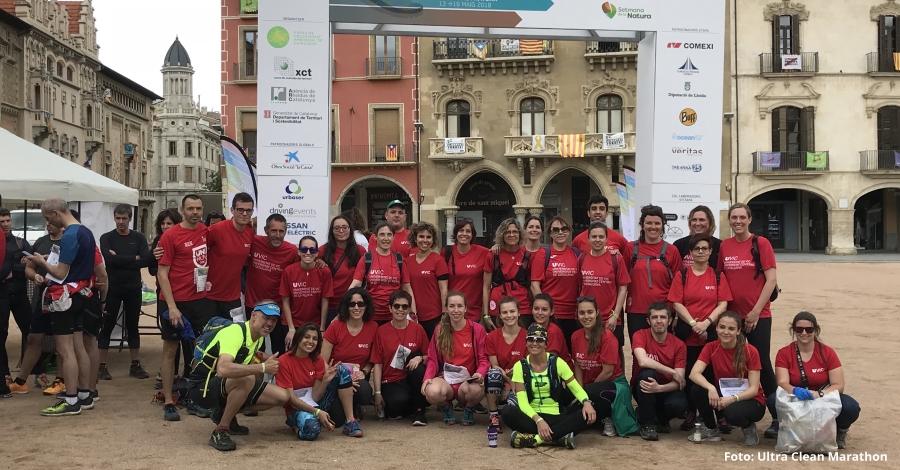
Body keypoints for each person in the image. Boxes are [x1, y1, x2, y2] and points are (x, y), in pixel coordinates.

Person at [24, 197, 99, 416]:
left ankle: (71, 399)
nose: (49, 223)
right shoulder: (85, 231)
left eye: (48, 218)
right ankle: (85, 394)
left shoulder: (69, 235)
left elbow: (60, 272)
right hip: (81, 294)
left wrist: (41, 262)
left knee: (65, 351)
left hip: (64, 297)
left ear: (57, 213)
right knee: (79, 347)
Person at [187, 301, 291, 451]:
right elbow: (223, 369)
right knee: (247, 378)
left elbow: (252, 354)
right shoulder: (235, 332)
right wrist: (263, 367)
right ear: (253, 315)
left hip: (224, 384)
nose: (269, 323)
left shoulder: (258, 335)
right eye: (266, 317)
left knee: (282, 396)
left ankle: (223, 413)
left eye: (274, 320)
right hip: (202, 387)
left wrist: (279, 362)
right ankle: (221, 430)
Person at [717, 203, 778, 433]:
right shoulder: (725, 246)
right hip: (732, 319)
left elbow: (771, 280)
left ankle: (778, 416)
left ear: (750, 220)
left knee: (762, 364)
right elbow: (721, 278)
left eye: (742, 217)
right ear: (729, 221)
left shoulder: (761, 243)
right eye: (734, 217)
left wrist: (755, 311)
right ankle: (740, 413)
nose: (738, 221)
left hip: (758, 315)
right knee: (735, 365)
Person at [156, 194, 215, 422]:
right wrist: (172, 307)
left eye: (198, 208)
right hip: (174, 301)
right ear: (182, 210)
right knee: (170, 351)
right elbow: (162, 273)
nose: (195, 212)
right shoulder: (170, 236)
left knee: (199, 351)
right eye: (190, 208)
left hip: (199, 300)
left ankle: (193, 398)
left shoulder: (206, 232)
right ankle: (168, 401)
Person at [668, 233, 732, 432]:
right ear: (691, 252)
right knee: (689, 374)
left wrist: (707, 323)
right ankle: (691, 412)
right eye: (697, 249)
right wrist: (694, 324)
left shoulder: (718, 276)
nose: (701, 252)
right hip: (688, 334)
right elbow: (676, 303)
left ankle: (720, 414)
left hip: (711, 334)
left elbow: (723, 304)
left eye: (705, 248)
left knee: (714, 373)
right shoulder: (682, 275)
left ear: (710, 251)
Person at [766, 312, 860, 448]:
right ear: (793, 331)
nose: (804, 333)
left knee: (851, 407)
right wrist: (795, 390)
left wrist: (820, 394)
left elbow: (839, 385)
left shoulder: (827, 352)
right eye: (799, 329)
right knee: (773, 399)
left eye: (809, 329)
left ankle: (840, 430)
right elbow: (782, 382)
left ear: (816, 331)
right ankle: (783, 425)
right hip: (796, 397)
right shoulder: (784, 353)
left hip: (822, 396)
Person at [502, 323, 597, 449]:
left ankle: (536, 439)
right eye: (531, 339)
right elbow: (522, 402)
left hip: (555, 416)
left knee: (585, 414)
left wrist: (586, 402)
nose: (534, 343)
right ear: (526, 343)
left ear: (546, 344)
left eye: (539, 340)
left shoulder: (558, 363)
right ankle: (559, 437)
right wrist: (538, 420)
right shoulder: (520, 366)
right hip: (532, 417)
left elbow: (576, 388)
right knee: (507, 411)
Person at [687, 311, 766, 445]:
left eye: (731, 328)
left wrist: (733, 399)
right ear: (716, 328)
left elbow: (754, 389)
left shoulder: (750, 351)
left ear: (738, 331)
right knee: (697, 390)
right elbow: (693, 373)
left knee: (732, 414)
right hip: (725, 393)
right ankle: (711, 429)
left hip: (751, 399)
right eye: (722, 327)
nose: (726, 332)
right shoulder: (711, 347)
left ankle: (748, 426)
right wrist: (711, 388)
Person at [276, 322, 357, 441]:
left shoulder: (317, 359)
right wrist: (317, 412)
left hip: (316, 403)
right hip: (296, 407)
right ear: (298, 338)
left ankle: (351, 421)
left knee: (342, 370)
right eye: (306, 337)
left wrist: (325, 381)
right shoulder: (284, 361)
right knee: (312, 430)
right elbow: (291, 399)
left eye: (315, 339)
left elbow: (315, 396)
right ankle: (295, 425)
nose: (311, 341)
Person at [8, 219, 63, 395]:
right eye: (46, 221)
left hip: (62, 299)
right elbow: (29, 268)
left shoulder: (69, 242)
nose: (48, 224)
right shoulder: (41, 242)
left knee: (62, 342)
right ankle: (20, 382)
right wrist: (35, 277)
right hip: (43, 299)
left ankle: (61, 381)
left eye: (51, 221)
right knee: (33, 338)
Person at [97, 204, 150, 380]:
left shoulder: (139, 238)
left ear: (130, 219)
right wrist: (134, 258)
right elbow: (109, 261)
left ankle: (135, 364)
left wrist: (120, 259)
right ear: (114, 218)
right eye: (118, 218)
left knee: (133, 326)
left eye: (124, 218)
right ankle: (101, 365)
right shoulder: (107, 238)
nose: (121, 222)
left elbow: (146, 261)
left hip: (133, 288)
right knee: (107, 325)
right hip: (113, 288)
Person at [570, 296, 637, 437]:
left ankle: (609, 417)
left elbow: (607, 372)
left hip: (613, 384)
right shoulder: (575, 336)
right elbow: (577, 365)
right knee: (571, 412)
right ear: (577, 315)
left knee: (593, 392)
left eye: (590, 312)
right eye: (582, 313)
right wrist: (580, 392)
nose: (586, 316)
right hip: (589, 386)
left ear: (597, 313)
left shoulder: (607, 337)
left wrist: (586, 394)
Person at [422, 291, 489, 426]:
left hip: (467, 381)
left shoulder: (477, 329)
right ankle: (446, 406)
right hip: (446, 380)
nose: (456, 310)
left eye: (460, 306)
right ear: (446, 308)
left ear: (466, 308)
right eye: (452, 306)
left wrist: (480, 374)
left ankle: (469, 408)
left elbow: (484, 359)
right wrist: (427, 377)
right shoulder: (439, 329)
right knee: (431, 391)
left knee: (476, 390)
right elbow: (432, 358)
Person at [321, 287, 376, 435]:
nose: (356, 308)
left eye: (360, 304)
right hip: (335, 377)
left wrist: (364, 371)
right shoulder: (335, 327)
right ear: (346, 306)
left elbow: (373, 358)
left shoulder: (373, 327)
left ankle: (355, 406)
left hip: (358, 377)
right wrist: (343, 380)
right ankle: (344, 407)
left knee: (365, 393)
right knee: (337, 419)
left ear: (366, 306)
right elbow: (322, 360)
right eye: (352, 304)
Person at [622, 205, 681, 341]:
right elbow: (622, 279)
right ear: (642, 225)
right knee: (638, 349)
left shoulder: (672, 250)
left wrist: (677, 316)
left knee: (663, 350)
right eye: (649, 223)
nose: (653, 227)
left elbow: (679, 285)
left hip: (664, 311)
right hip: (637, 310)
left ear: (662, 225)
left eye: (657, 223)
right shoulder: (630, 248)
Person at [631, 302, 688, 441]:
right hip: (643, 388)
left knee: (679, 405)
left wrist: (659, 388)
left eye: (663, 317)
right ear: (648, 321)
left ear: (670, 320)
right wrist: (672, 372)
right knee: (647, 374)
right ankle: (647, 424)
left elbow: (679, 382)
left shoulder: (679, 345)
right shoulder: (640, 335)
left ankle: (661, 419)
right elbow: (643, 361)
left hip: (665, 389)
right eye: (654, 317)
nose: (658, 321)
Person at [372, 290, 430, 425]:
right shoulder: (381, 331)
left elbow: (430, 356)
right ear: (390, 308)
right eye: (396, 306)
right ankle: (411, 404)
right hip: (391, 381)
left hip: (410, 378)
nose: (400, 310)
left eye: (404, 306)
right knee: (397, 403)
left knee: (419, 366)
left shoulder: (418, 329)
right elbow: (378, 364)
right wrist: (377, 393)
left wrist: (420, 358)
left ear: (409, 309)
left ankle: (419, 411)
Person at [576, 221, 630, 363]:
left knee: (615, 355)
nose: (597, 240)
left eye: (601, 237)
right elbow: (580, 287)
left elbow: (623, 288)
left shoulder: (616, 259)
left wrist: (615, 315)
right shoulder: (582, 259)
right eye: (594, 237)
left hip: (610, 318)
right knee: (590, 355)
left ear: (607, 239)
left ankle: (620, 378)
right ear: (588, 239)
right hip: (588, 318)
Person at [350, 221, 415, 324]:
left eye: (389, 235)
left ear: (393, 237)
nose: (386, 238)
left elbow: (407, 288)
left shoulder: (399, 259)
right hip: (371, 315)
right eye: (382, 234)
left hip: (395, 315)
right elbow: (355, 285)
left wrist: (413, 314)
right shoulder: (367, 259)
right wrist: (343, 309)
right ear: (375, 237)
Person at [530, 216, 581, 345]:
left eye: (564, 229)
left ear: (569, 231)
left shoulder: (576, 253)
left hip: (573, 315)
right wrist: (544, 311)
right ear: (550, 233)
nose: (560, 232)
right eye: (556, 230)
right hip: (551, 315)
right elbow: (535, 285)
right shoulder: (543, 254)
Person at [278, 236, 332, 354]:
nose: (308, 253)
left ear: (317, 253)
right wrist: (291, 329)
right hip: (293, 323)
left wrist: (322, 329)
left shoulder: (324, 272)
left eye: (312, 250)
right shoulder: (289, 271)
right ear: (299, 252)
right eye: (304, 249)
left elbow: (325, 301)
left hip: (314, 324)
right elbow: (285, 301)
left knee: (312, 357)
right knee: (292, 357)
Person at [207, 192, 255, 320]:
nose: (244, 214)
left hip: (233, 296)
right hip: (209, 295)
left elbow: (245, 258)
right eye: (240, 210)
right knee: (209, 332)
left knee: (234, 332)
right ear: (232, 210)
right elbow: (196, 249)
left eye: (248, 210)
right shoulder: (217, 229)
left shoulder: (250, 232)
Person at [441, 219, 492, 336]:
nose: (464, 234)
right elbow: (442, 284)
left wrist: (497, 246)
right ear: (456, 233)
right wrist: (444, 311)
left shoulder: (484, 253)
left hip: (473, 312)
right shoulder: (447, 252)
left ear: (472, 235)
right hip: (453, 311)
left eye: (468, 231)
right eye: (461, 230)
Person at [1, 208, 33, 387]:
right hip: (3, 295)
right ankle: (5, 374)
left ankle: (35, 371)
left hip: (20, 295)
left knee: (31, 334)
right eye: (1, 222)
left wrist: (13, 270)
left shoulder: (21, 243)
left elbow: (32, 264)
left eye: (7, 220)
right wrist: (18, 266)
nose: (5, 224)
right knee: (2, 335)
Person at [245, 213, 299, 320]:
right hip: (253, 304)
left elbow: (305, 264)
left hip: (277, 306)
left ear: (285, 232)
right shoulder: (255, 241)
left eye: (281, 231)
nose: (277, 235)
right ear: (266, 230)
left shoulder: (292, 251)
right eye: (274, 231)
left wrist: (318, 261)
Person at [484, 296, 527, 430]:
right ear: (500, 316)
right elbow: (494, 365)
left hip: (520, 379)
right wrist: (508, 383)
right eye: (505, 312)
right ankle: (494, 416)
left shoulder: (527, 336)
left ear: (519, 313)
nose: (509, 315)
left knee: (512, 410)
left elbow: (527, 366)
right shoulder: (492, 337)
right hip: (502, 378)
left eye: (512, 311)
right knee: (492, 374)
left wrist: (512, 385)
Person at [319, 214, 366, 326]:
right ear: (332, 231)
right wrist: (316, 261)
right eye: (337, 228)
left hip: (351, 305)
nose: (341, 231)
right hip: (328, 306)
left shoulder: (360, 251)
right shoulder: (323, 251)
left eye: (345, 227)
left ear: (350, 229)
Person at [488, 218, 532, 327]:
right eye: (507, 232)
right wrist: (485, 314)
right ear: (502, 234)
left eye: (515, 232)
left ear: (520, 234)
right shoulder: (493, 255)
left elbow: (531, 285)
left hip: (522, 307)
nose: (511, 235)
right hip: (497, 307)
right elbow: (486, 287)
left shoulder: (527, 256)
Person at [406, 222, 448, 332]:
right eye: (421, 236)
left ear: (433, 240)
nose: (425, 240)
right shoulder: (407, 262)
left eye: (428, 237)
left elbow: (443, 289)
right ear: (415, 239)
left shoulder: (438, 260)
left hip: (434, 316)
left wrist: (444, 313)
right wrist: (411, 313)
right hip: (412, 315)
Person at [673, 205, 722, 269]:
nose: (697, 223)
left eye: (702, 220)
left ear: (710, 222)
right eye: (694, 220)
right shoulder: (679, 245)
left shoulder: (719, 245)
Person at [529, 294, 570, 362]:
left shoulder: (553, 331)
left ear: (551, 312)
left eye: (544, 309)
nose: (540, 312)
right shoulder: (532, 326)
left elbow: (550, 361)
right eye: (536, 309)